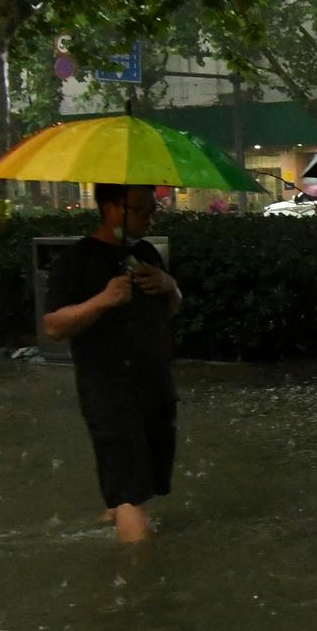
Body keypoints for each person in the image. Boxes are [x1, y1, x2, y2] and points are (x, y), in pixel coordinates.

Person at [41, 184, 182, 544]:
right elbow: (54, 326)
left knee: (142, 484)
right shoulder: (76, 261)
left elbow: (167, 313)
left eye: (153, 209)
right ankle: (141, 584)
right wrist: (102, 301)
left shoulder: (146, 253)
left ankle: (113, 522)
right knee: (132, 490)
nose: (150, 217)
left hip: (154, 386)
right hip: (110, 392)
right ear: (111, 207)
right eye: (141, 210)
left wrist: (171, 287)